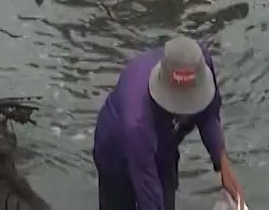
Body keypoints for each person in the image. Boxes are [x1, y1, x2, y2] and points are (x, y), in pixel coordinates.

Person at [93, 36, 244, 210]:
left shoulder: (198, 62)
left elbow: (209, 114)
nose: (186, 108)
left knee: (166, 198)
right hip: (117, 150)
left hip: (164, 143)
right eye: (180, 102)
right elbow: (148, 191)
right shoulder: (136, 121)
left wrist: (222, 163)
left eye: (192, 99)